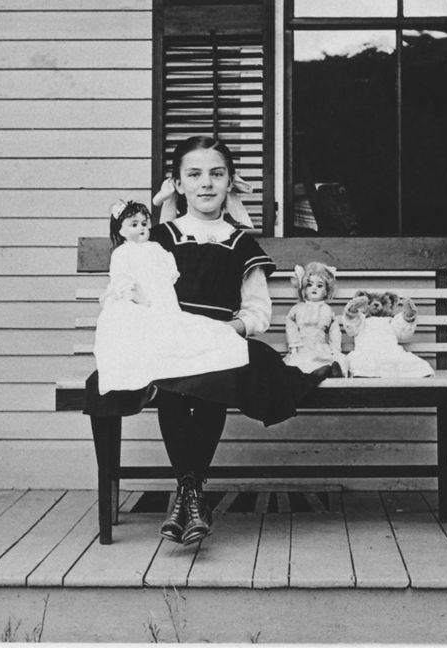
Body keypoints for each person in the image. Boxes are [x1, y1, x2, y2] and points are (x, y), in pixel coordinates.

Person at [84, 136, 329, 546]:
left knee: (213, 372)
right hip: (167, 338)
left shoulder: (240, 243)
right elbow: (131, 284)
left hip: (219, 338)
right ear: (178, 184)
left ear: (230, 182)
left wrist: (224, 331)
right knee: (181, 377)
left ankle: (188, 493)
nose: (206, 184)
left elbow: (257, 313)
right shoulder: (157, 238)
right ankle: (192, 493)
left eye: (216, 174)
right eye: (193, 175)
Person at [93, 199, 249, 394]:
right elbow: (121, 279)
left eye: (144, 223)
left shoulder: (156, 248)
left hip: (162, 297)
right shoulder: (122, 253)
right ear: (121, 231)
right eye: (134, 225)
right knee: (140, 327)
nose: (141, 228)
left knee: (177, 327)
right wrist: (135, 295)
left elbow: (168, 274)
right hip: (139, 298)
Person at [283, 262, 348, 376]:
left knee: (335, 359)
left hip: (321, 347)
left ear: (326, 291)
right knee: (298, 362)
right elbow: (291, 325)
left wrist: (335, 349)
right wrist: (294, 344)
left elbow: (334, 331)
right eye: (310, 284)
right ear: (303, 288)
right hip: (302, 347)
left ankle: (329, 371)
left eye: (319, 285)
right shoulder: (297, 308)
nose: (314, 288)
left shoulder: (327, 310)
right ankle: (316, 373)